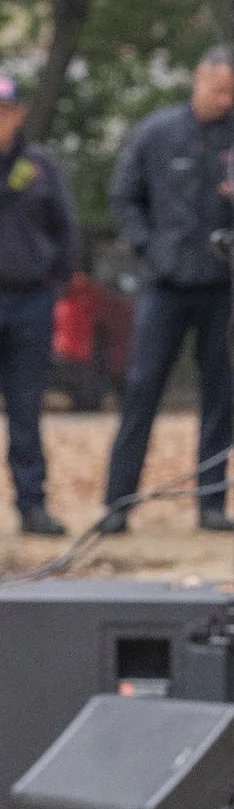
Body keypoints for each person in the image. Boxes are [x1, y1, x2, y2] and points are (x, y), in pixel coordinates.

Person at [101, 46, 234, 535]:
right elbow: (124, 195)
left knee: (220, 397)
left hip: (225, 287)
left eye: (232, 92)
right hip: (165, 285)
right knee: (142, 389)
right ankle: (118, 502)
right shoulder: (157, 133)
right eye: (217, 88)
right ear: (198, 82)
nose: (224, 99)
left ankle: (211, 502)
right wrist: (149, 248)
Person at [0, 72, 79, 536]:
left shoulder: (41, 166)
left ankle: (32, 504)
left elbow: (66, 228)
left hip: (31, 301)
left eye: (6, 111)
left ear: (20, 114)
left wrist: (58, 280)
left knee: (26, 408)